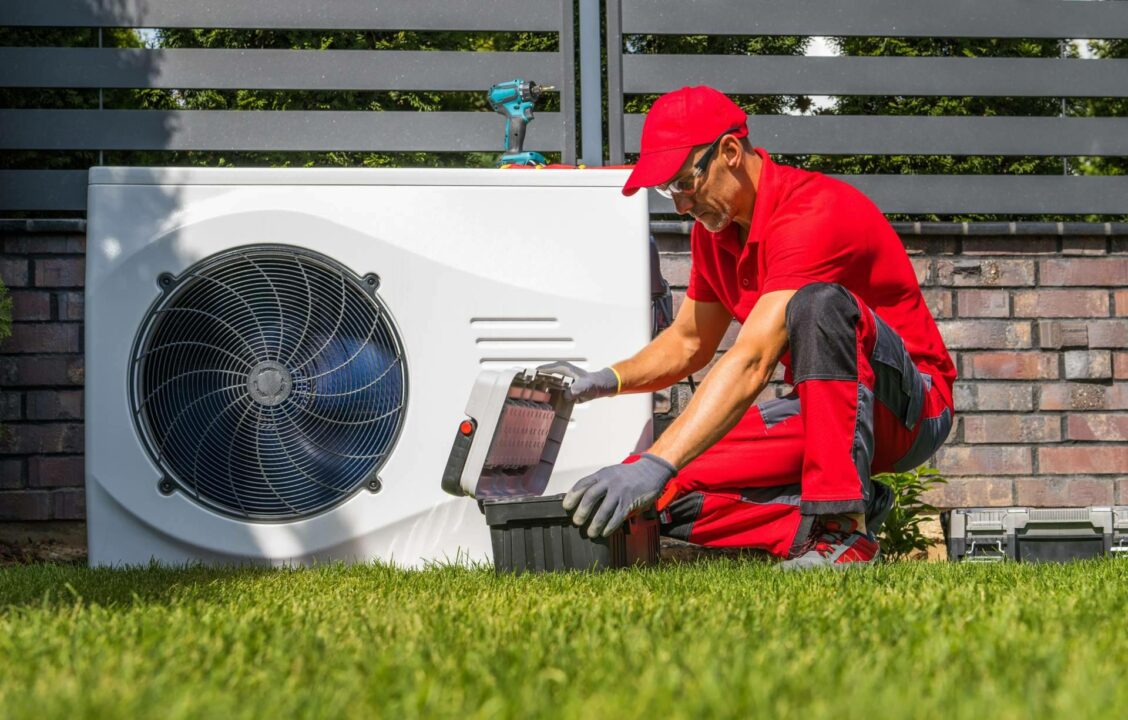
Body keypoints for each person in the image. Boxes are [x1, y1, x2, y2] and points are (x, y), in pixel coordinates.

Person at [540, 86, 955, 569]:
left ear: (730, 152)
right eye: (666, 191)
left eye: (683, 184)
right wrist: (604, 381)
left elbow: (753, 358)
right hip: (823, 413)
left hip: (910, 409)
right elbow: (688, 342)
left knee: (818, 304)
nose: (679, 205)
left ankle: (843, 531)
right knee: (658, 494)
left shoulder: (814, 212)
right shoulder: (714, 235)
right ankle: (839, 515)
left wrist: (659, 460)